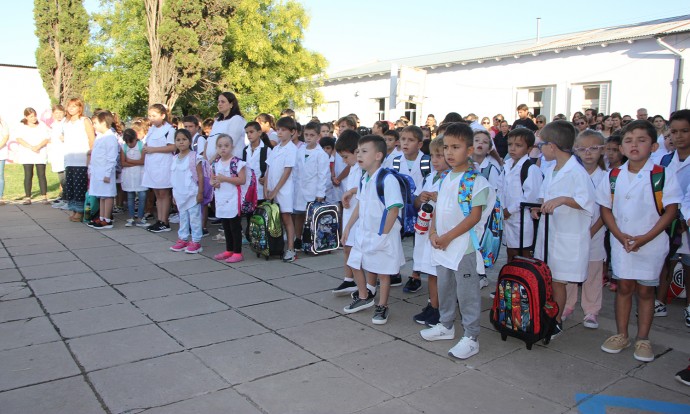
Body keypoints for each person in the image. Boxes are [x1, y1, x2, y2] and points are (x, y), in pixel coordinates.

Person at [597, 120, 681, 362]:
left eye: (641, 140)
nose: (634, 145)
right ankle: (621, 334)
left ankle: (643, 337)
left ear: (654, 146)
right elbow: (606, 209)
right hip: (622, 241)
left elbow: (670, 211)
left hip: (650, 243)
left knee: (646, 290)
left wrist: (645, 238)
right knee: (624, 287)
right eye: (628, 141)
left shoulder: (662, 175)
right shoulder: (613, 176)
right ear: (621, 148)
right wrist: (619, 235)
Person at [420, 122, 493, 359]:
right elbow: (438, 210)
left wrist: (448, 237)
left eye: (456, 147)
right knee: (445, 286)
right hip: (443, 244)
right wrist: (433, 233)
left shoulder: (476, 181)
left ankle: (471, 336)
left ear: (469, 151)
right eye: (446, 148)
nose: (449, 153)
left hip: (463, 247)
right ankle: (446, 324)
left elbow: (474, 216)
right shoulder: (444, 178)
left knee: (467, 292)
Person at [532, 120, 595, 340]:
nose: (540, 149)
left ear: (553, 146)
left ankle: (555, 321)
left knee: (558, 280)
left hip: (567, 236)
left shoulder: (576, 172)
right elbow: (544, 195)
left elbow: (586, 201)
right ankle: (546, 315)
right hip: (551, 232)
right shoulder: (552, 169)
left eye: (542, 145)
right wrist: (538, 208)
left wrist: (563, 200)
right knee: (548, 276)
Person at [342, 135, 405, 325]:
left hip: (382, 234)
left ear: (378, 155)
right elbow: (360, 205)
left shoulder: (387, 179)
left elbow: (393, 209)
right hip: (364, 232)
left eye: (364, 151)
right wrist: (348, 227)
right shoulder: (364, 178)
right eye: (358, 151)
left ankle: (383, 305)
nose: (358, 154)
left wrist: (383, 235)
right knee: (355, 262)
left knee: (383, 273)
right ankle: (364, 296)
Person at [563, 130, 607, 328]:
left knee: (593, 271)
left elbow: (606, 210)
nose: (588, 153)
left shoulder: (606, 177)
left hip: (595, 231)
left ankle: (591, 309)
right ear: (576, 151)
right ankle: (567, 304)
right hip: (573, 230)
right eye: (583, 149)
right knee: (570, 270)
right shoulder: (572, 174)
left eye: (593, 148)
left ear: (602, 150)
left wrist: (591, 231)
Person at [412, 137, 449, 325]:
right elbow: (416, 202)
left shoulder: (451, 179)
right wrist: (422, 197)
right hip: (425, 229)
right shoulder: (429, 177)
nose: (435, 160)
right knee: (429, 271)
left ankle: (439, 308)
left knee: (437, 273)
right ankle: (433, 305)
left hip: (439, 232)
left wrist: (439, 198)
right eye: (433, 155)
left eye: (440, 156)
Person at [660, 109, 690, 327]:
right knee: (664, 261)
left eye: (685, 131)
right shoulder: (666, 159)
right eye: (674, 132)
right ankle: (659, 301)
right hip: (668, 218)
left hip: (687, 220)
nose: (678, 136)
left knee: (688, 264)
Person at [394, 125, 431, 290]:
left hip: (421, 206)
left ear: (420, 144)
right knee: (395, 238)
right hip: (402, 207)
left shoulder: (426, 161)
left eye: (411, 140)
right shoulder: (395, 161)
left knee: (420, 239)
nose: (405, 143)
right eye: (403, 139)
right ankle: (393, 271)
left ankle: (416, 274)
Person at [501, 128, 542, 263]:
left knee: (524, 255)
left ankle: (523, 282)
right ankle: (511, 282)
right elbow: (500, 189)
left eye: (518, 145)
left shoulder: (531, 169)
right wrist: (501, 209)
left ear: (529, 149)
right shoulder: (506, 166)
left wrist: (509, 210)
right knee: (510, 253)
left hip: (523, 220)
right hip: (507, 219)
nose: (513, 148)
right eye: (510, 144)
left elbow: (530, 197)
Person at [331, 130, 362, 296]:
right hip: (350, 213)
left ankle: (363, 284)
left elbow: (365, 188)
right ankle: (349, 280)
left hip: (359, 215)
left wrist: (351, 191)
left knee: (356, 249)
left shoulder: (363, 168)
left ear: (357, 151)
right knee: (347, 247)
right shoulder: (353, 167)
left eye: (345, 156)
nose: (343, 161)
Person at [265, 116, 298, 262]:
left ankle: (291, 248)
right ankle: (275, 246)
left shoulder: (291, 149)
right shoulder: (276, 148)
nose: (280, 133)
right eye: (278, 129)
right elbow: (268, 168)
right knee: (274, 218)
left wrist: (276, 190)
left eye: (283, 130)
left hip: (284, 190)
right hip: (272, 188)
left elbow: (287, 172)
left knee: (286, 218)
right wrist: (266, 186)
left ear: (292, 132)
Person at [292, 121, 329, 248]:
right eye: (306, 134)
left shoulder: (321, 154)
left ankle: (311, 239)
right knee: (298, 215)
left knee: (310, 216)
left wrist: (320, 193)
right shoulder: (300, 150)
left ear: (318, 136)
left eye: (312, 135)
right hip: (299, 188)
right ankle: (297, 238)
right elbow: (295, 170)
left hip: (312, 190)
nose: (308, 137)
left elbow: (322, 175)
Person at [212, 134, 247, 263]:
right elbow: (213, 179)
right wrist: (214, 183)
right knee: (225, 225)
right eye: (220, 146)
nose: (223, 149)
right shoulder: (216, 163)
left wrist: (224, 179)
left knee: (235, 226)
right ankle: (229, 249)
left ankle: (238, 252)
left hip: (233, 198)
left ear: (232, 147)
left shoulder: (237, 162)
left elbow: (242, 180)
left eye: (226, 146)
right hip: (221, 198)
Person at [168, 129, 204, 254]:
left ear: (189, 141)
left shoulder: (195, 157)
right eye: (178, 140)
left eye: (184, 139)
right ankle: (183, 238)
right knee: (182, 218)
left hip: (192, 193)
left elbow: (200, 176)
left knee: (194, 217)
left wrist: (200, 193)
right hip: (180, 194)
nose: (181, 142)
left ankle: (196, 241)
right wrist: (174, 194)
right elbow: (174, 177)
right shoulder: (174, 158)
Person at [141, 103, 176, 233]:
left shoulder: (169, 129)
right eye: (150, 116)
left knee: (163, 193)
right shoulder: (152, 129)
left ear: (162, 115)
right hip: (152, 165)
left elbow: (172, 147)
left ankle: (164, 221)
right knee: (157, 193)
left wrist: (153, 149)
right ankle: (159, 219)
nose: (152, 118)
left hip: (163, 164)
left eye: (154, 116)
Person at [62, 98, 95, 222]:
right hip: (69, 159)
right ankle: (74, 209)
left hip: (81, 159)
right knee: (70, 186)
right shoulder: (66, 122)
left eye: (74, 106)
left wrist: (90, 155)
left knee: (80, 185)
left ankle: (81, 211)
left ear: (80, 108)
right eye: (69, 106)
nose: (71, 108)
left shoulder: (84, 121)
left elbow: (91, 138)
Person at [85, 110, 119, 229]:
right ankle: (101, 217)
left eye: (95, 123)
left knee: (108, 195)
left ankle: (107, 219)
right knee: (101, 196)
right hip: (97, 171)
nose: (93, 126)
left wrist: (107, 173)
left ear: (103, 123)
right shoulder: (100, 137)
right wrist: (91, 170)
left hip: (105, 172)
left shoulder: (110, 138)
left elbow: (111, 158)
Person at [15, 108, 50, 205]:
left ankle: (44, 196)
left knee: (41, 175)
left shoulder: (42, 125)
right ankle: (27, 197)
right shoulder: (22, 126)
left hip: (40, 152)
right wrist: (31, 147)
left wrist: (38, 146)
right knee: (28, 175)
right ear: (26, 117)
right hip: (27, 153)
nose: (34, 118)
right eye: (31, 116)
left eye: (34, 115)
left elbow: (47, 138)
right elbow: (19, 139)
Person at [205, 92, 246, 162]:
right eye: (218, 102)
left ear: (231, 104)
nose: (219, 104)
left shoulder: (236, 119)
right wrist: (205, 160)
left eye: (223, 102)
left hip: (229, 163)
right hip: (212, 163)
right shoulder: (217, 121)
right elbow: (208, 141)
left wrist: (213, 160)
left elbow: (229, 144)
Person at [120, 129, 148, 227]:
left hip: (140, 174)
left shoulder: (142, 146)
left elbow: (143, 161)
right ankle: (131, 216)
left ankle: (140, 216)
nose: (129, 144)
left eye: (131, 142)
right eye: (127, 142)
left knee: (142, 196)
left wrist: (129, 161)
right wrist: (135, 163)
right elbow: (123, 163)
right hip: (129, 175)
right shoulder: (123, 147)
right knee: (130, 196)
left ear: (135, 139)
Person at [243, 121, 272, 205]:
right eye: (247, 133)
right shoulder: (245, 150)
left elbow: (270, 169)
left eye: (251, 132)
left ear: (259, 133)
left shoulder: (267, 150)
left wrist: (266, 178)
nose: (249, 135)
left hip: (260, 190)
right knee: (249, 216)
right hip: (247, 190)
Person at [48, 105, 66, 208]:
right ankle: (64, 196)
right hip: (57, 153)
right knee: (61, 176)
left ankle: (67, 197)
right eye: (56, 113)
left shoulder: (66, 123)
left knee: (66, 177)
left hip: (65, 153)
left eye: (60, 112)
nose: (58, 115)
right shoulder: (53, 125)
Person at [0, 116, 9, 205]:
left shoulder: (3, 123)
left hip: (1, 152)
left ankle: (0, 196)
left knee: (0, 175)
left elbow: (6, 137)